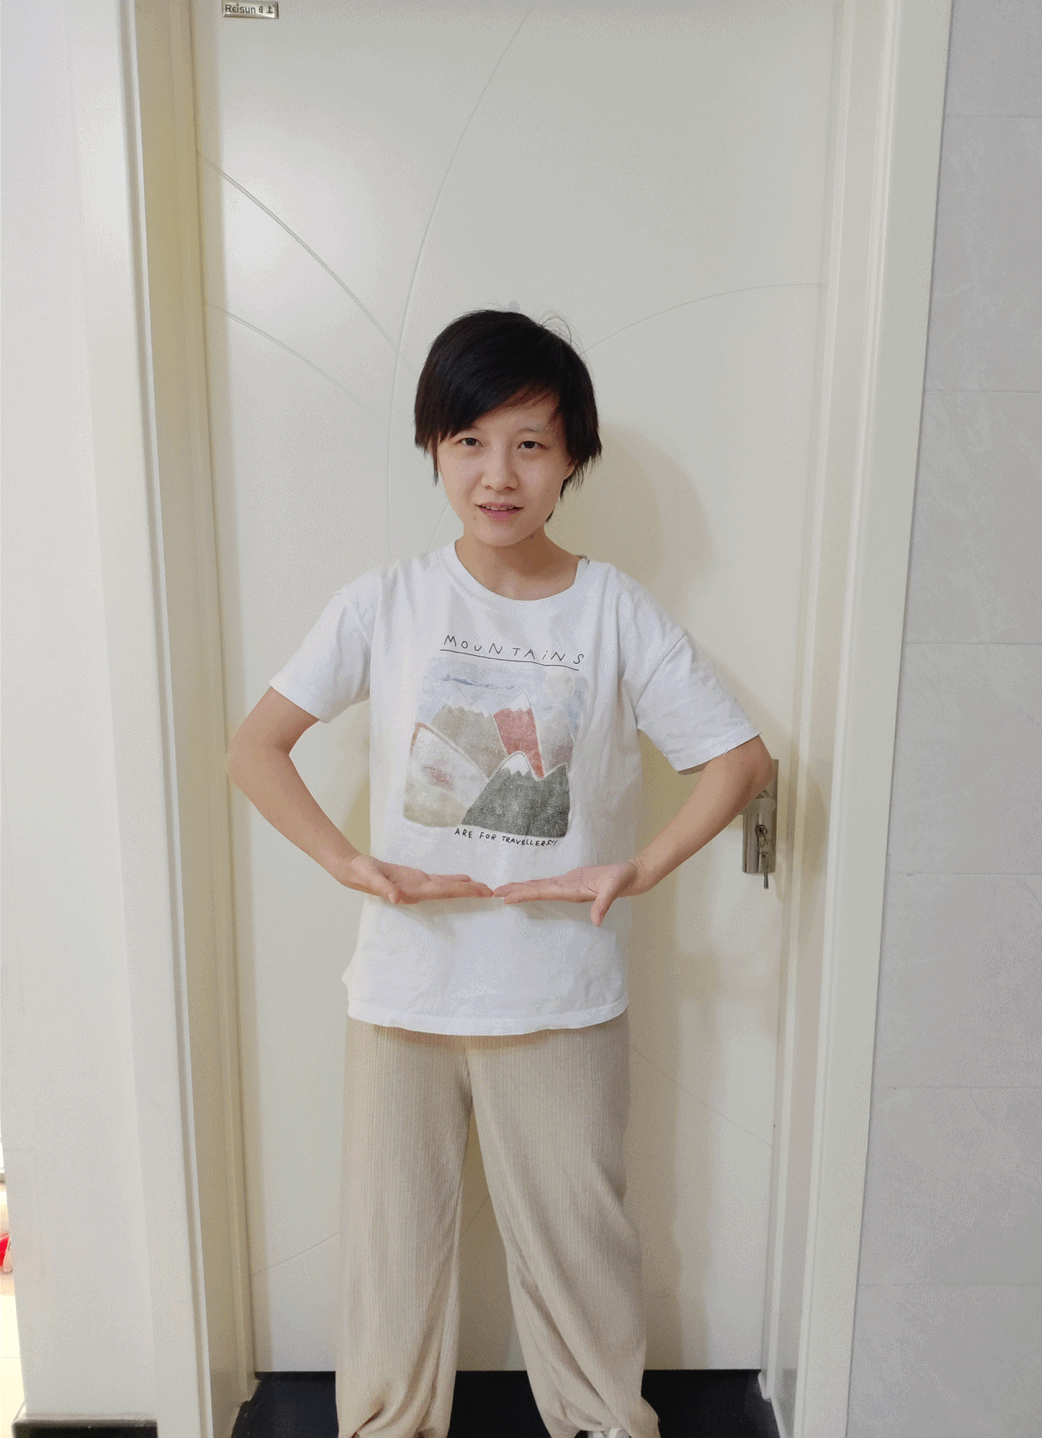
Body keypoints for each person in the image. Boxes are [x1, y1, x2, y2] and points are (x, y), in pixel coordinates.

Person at [226, 308, 774, 1438]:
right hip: (405, 990)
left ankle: (603, 1422)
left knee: (581, 1247)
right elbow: (254, 748)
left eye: (530, 444)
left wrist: (640, 867)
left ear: (572, 459)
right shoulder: (385, 602)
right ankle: (384, 1425)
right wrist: (350, 863)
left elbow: (739, 760)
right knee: (390, 1252)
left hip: (559, 993)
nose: (497, 474)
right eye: (470, 441)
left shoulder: (613, 609)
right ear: (434, 448)